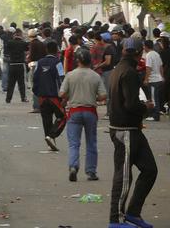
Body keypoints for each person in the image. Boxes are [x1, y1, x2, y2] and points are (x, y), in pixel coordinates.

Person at [108, 38, 157, 228]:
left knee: (150, 170)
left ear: (123, 50)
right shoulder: (128, 72)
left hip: (130, 129)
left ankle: (133, 213)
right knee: (123, 176)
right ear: (138, 53)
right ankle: (116, 219)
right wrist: (146, 107)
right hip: (125, 130)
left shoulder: (118, 69)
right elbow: (130, 104)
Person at [59, 48, 106, 182]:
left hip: (74, 112)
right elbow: (103, 95)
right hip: (90, 111)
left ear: (77, 61)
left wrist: (70, 96)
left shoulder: (70, 75)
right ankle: (91, 172)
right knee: (91, 142)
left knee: (74, 144)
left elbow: (61, 94)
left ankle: (73, 166)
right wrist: (93, 97)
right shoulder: (95, 76)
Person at [33, 41, 65, 151]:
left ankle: (49, 142)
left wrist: (36, 92)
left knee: (46, 120)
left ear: (46, 50)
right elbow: (61, 78)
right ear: (57, 50)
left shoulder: (39, 62)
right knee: (62, 117)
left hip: (42, 96)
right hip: (54, 96)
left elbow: (35, 78)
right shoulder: (58, 63)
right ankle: (51, 136)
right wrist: (63, 95)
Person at [5, 29, 29, 103]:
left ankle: (8, 99)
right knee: (21, 83)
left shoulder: (10, 43)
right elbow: (27, 50)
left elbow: (6, 53)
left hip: (12, 64)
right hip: (20, 64)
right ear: (20, 34)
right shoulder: (23, 43)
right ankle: (23, 98)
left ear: (14, 34)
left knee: (11, 83)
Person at [143, 40, 164, 121]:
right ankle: (155, 114)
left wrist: (146, 79)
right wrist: (162, 77)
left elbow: (148, 68)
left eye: (144, 46)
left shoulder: (148, 55)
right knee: (156, 97)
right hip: (159, 79)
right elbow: (161, 66)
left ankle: (155, 116)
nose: (143, 47)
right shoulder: (156, 54)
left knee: (153, 98)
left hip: (153, 80)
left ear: (147, 46)